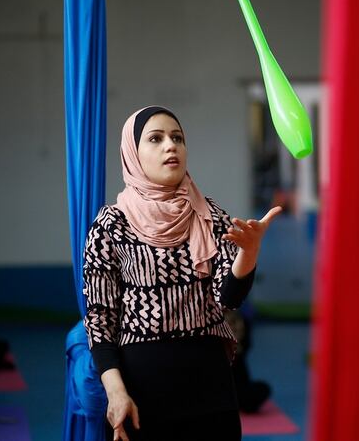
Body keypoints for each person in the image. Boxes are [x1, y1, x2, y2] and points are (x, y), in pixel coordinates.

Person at [82, 106, 281, 441]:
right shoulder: (110, 226)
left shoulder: (210, 215)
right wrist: (116, 393)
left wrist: (250, 253)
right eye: (155, 139)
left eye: (177, 138)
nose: (170, 146)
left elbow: (229, 297)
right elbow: (100, 321)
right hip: (141, 392)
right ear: (133, 153)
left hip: (210, 389)